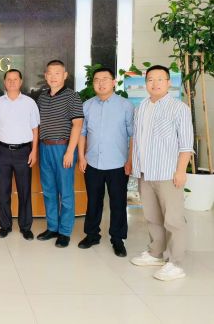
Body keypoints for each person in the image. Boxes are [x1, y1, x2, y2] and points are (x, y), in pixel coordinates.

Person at [130, 65, 193, 281]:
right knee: (152, 217)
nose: (155, 83)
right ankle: (156, 253)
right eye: (150, 79)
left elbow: (186, 144)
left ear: (168, 82)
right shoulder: (141, 107)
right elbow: (137, 140)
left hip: (168, 173)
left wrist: (181, 171)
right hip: (145, 172)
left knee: (173, 219)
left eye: (160, 79)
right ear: (145, 83)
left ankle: (175, 263)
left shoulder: (179, 108)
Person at [77, 68, 134, 257]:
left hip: (118, 163)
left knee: (118, 203)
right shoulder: (87, 105)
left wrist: (130, 160)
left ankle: (117, 239)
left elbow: (133, 136)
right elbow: (82, 133)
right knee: (93, 201)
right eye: (97, 80)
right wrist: (82, 157)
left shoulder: (125, 106)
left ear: (114, 82)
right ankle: (92, 235)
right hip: (92, 162)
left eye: (105, 79)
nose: (100, 83)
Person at [37, 60, 84, 248]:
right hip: (44, 148)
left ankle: (64, 232)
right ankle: (52, 227)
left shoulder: (72, 96)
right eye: (50, 73)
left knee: (65, 192)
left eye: (58, 73)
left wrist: (70, 152)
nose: (53, 77)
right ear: (45, 76)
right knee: (48, 191)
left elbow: (78, 125)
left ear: (65, 75)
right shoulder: (42, 97)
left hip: (63, 148)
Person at [0, 69, 39, 240]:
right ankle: (5, 226)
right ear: (4, 82)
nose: (12, 82)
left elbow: (35, 129)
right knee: (3, 191)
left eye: (15, 79)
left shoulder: (30, 103)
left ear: (21, 82)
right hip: (2, 151)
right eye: (8, 79)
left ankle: (25, 227)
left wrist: (34, 151)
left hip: (24, 151)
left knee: (24, 191)